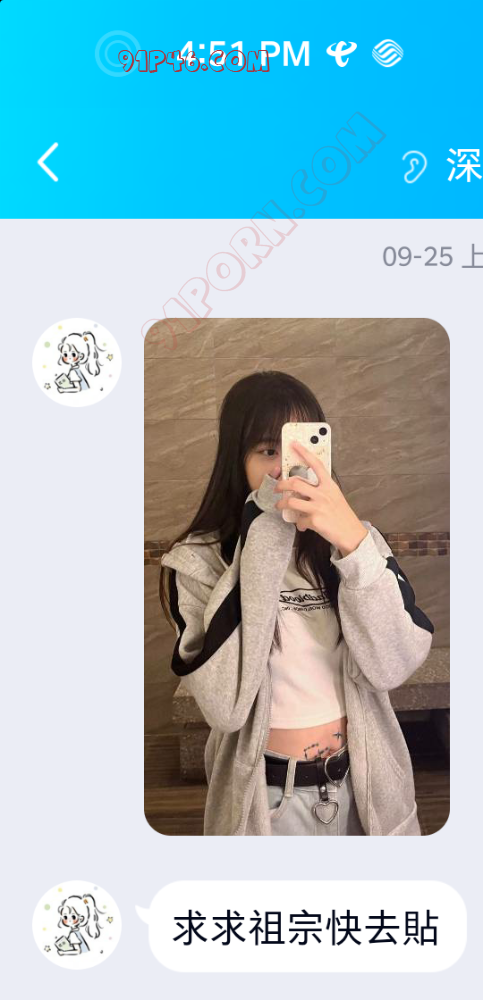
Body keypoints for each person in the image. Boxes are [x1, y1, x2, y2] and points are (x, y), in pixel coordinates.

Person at [159, 371, 434, 836]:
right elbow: (226, 707)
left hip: (364, 793)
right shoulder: (199, 562)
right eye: (270, 451)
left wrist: (352, 542)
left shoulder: (355, 544)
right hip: (266, 805)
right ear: (236, 459)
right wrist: (266, 526)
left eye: (302, 449)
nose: (288, 468)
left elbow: (394, 666)